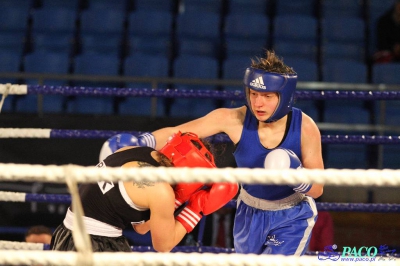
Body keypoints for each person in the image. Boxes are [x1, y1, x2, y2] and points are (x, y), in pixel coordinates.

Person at [121, 50, 324, 255]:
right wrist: (137, 144)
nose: (258, 103)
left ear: (285, 97)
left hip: (292, 216)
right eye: (254, 94)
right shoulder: (234, 119)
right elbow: (176, 133)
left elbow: (318, 189)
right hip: (249, 212)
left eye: (267, 96)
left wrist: (296, 176)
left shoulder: (305, 128)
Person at [50, 132, 238, 252]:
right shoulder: (160, 190)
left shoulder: (139, 151)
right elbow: (163, 245)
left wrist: (178, 199)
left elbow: (140, 227)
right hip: (94, 245)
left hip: (67, 234)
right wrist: (195, 209)